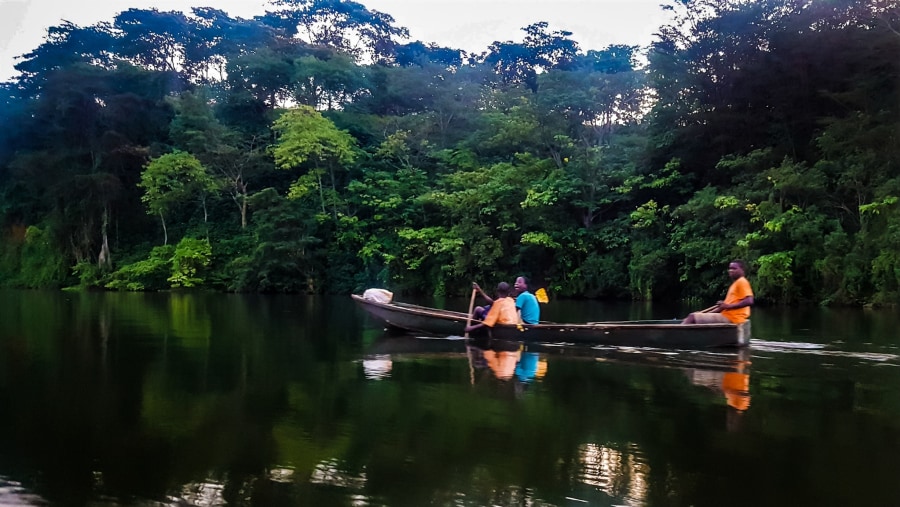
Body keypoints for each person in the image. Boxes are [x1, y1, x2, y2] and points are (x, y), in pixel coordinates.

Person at [682, 260, 754, 324]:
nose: (730, 270)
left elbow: (749, 301)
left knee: (692, 317)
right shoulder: (735, 284)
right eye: (730, 268)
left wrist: (728, 306)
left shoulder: (742, 282)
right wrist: (704, 314)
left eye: (734, 268)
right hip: (727, 315)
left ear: (742, 270)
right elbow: (722, 308)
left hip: (733, 317)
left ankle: (677, 336)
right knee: (693, 316)